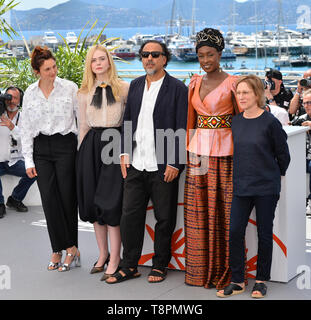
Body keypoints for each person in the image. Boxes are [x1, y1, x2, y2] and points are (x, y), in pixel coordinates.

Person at [106, 40, 188, 284]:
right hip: (135, 164)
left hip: (163, 166)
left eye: (155, 54)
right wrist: (123, 152)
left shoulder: (177, 88)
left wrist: (175, 162)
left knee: (165, 218)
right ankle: (129, 265)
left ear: (165, 58)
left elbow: (183, 127)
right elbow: (129, 121)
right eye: (145, 55)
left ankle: (160, 264)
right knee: (129, 217)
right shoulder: (136, 85)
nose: (149, 59)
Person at [217, 75, 290, 298]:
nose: (241, 97)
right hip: (241, 186)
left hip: (266, 187)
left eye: (246, 93)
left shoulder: (270, 122)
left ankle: (261, 280)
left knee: (264, 233)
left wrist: (272, 175)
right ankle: (238, 280)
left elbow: (283, 155)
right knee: (235, 231)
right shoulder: (236, 121)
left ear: (257, 94)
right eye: (238, 93)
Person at [184, 27, 240, 290]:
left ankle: (224, 271)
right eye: (200, 55)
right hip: (197, 156)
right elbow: (190, 122)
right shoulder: (194, 82)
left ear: (220, 54)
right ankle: (198, 270)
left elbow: (242, 121)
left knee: (225, 214)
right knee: (198, 215)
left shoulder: (234, 83)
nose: (205, 60)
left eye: (210, 54)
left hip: (226, 155)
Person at [20, 46, 79, 271]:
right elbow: (25, 129)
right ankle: (57, 249)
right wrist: (28, 160)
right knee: (49, 200)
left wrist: (81, 152)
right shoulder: (30, 93)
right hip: (41, 149)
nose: (53, 72)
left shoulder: (70, 88)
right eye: (47, 69)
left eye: (54, 67)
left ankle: (72, 247)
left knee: (67, 198)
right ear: (37, 71)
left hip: (66, 146)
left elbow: (80, 121)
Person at [77, 44, 129, 280]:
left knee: (110, 204)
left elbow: (129, 123)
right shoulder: (83, 92)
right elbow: (82, 126)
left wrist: (126, 152)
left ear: (109, 61)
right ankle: (102, 254)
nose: (98, 63)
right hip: (91, 145)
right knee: (93, 203)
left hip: (114, 142)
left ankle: (116, 257)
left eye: (102, 59)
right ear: (90, 65)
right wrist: (81, 155)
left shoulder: (124, 89)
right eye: (93, 60)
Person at [0, 87, 36, 218]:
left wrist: (12, 127)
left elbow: (27, 138)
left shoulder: (24, 117)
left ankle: (15, 198)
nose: (11, 101)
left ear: (20, 100)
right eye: (8, 98)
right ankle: (0, 204)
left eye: (15, 98)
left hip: (15, 161)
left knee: (35, 172)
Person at [291, 88, 311, 214]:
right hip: (303, 155)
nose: (307, 105)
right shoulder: (301, 118)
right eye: (305, 103)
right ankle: (297, 201)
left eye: (310, 102)